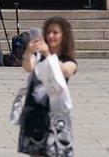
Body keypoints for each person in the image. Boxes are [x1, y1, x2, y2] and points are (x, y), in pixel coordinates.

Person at [16, 16, 77, 157]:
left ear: (64, 36)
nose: (50, 36)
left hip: (56, 117)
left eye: (55, 33)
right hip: (35, 114)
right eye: (48, 32)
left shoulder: (67, 59)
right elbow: (28, 66)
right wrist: (29, 51)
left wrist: (48, 54)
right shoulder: (39, 57)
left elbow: (67, 70)